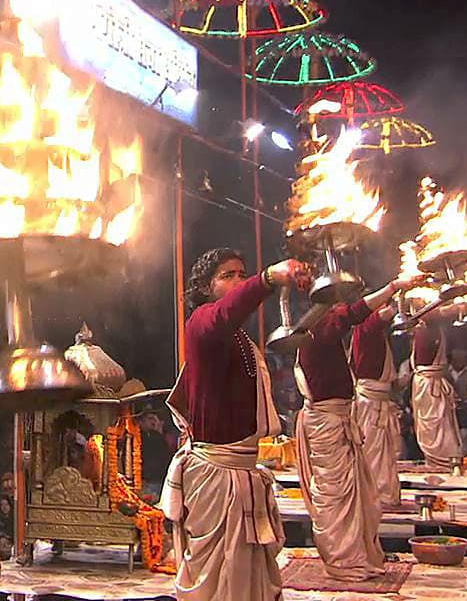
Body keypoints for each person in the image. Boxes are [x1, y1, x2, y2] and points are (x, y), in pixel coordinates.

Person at [160, 248, 310, 601]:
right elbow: (228, 311)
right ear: (205, 286)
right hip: (216, 475)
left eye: (242, 275)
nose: (238, 282)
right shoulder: (202, 322)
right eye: (227, 276)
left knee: (248, 581)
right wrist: (268, 278)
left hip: (242, 469)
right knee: (217, 584)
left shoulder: (238, 336)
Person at [294, 277, 417, 580]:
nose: (341, 306)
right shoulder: (318, 330)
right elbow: (358, 313)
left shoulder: (323, 330)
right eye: (336, 300)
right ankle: (344, 559)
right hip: (327, 423)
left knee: (353, 493)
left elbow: (361, 314)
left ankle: (354, 554)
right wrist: (392, 288)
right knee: (336, 495)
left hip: (339, 419)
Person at [350, 300, 404, 507]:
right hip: (370, 402)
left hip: (379, 398)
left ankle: (384, 493)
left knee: (385, 450)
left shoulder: (375, 331)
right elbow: (381, 316)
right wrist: (399, 291)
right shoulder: (365, 327)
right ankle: (375, 495)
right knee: (373, 449)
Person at [410, 318, 464, 467]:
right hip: (425, 384)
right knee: (431, 421)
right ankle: (436, 459)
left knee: (440, 420)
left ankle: (446, 457)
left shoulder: (433, 331)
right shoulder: (422, 332)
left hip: (432, 384)